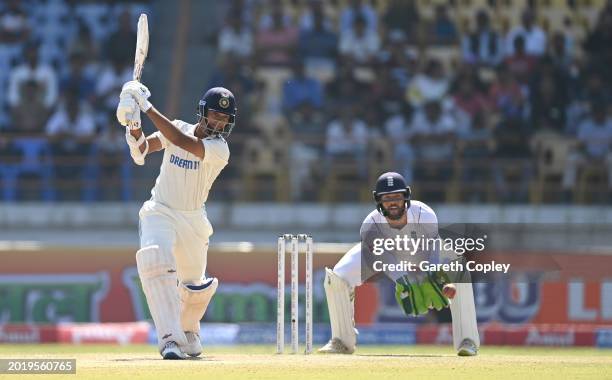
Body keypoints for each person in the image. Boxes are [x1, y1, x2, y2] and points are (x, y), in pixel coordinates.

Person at [116, 80, 236, 359]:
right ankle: (169, 340)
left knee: (195, 286)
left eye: (224, 118)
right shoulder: (178, 127)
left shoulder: (220, 149)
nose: (218, 122)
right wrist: (133, 124)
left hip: (193, 220)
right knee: (155, 259)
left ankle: (188, 332)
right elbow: (143, 150)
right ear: (203, 112)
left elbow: (184, 143)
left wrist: (145, 105)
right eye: (215, 115)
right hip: (161, 210)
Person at [318, 172, 480, 356]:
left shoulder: (424, 215)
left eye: (397, 196)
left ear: (406, 197)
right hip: (386, 256)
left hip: (422, 251)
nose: (393, 202)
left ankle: (468, 341)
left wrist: (437, 276)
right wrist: (403, 280)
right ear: (378, 201)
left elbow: (434, 250)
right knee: (337, 277)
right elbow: (385, 261)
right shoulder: (370, 226)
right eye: (387, 198)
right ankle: (342, 341)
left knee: (460, 271)